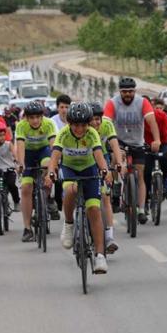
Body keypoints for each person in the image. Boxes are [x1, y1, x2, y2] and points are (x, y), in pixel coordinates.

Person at [45, 103, 112, 274]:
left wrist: (105, 171)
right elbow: (55, 156)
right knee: (71, 190)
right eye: (75, 125)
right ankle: (68, 224)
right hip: (70, 169)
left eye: (84, 125)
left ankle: (100, 256)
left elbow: (98, 154)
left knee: (94, 210)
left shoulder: (92, 134)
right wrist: (50, 172)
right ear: (69, 123)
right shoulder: (63, 134)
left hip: (90, 169)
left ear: (89, 124)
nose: (80, 129)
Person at [103, 77, 161, 225]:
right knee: (116, 158)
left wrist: (156, 140)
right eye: (124, 92)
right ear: (120, 92)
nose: (127, 94)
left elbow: (151, 121)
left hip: (137, 143)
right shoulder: (112, 103)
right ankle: (116, 183)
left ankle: (141, 210)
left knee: (140, 175)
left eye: (130, 91)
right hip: (119, 141)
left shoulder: (142, 102)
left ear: (135, 91)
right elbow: (106, 122)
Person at [15, 101, 58, 243]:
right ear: (26, 118)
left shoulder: (49, 123)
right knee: (26, 188)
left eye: (37, 117)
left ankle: (47, 196)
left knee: (47, 165)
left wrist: (52, 169)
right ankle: (27, 228)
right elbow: (20, 147)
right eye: (31, 117)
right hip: (28, 153)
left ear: (42, 116)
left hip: (43, 150)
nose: (34, 120)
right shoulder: (21, 126)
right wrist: (21, 164)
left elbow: (53, 147)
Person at [89, 102, 123, 254]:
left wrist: (120, 162)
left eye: (98, 119)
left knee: (105, 196)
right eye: (93, 119)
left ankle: (109, 237)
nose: (96, 123)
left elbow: (114, 144)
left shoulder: (107, 125)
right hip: (85, 159)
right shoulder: (83, 128)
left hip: (102, 157)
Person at [142, 95, 167, 207]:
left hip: (162, 142)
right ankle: (144, 200)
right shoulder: (139, 118)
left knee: (165, 158)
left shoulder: (161, 115)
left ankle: (166, 180)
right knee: (145, 172)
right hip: (145, 145)